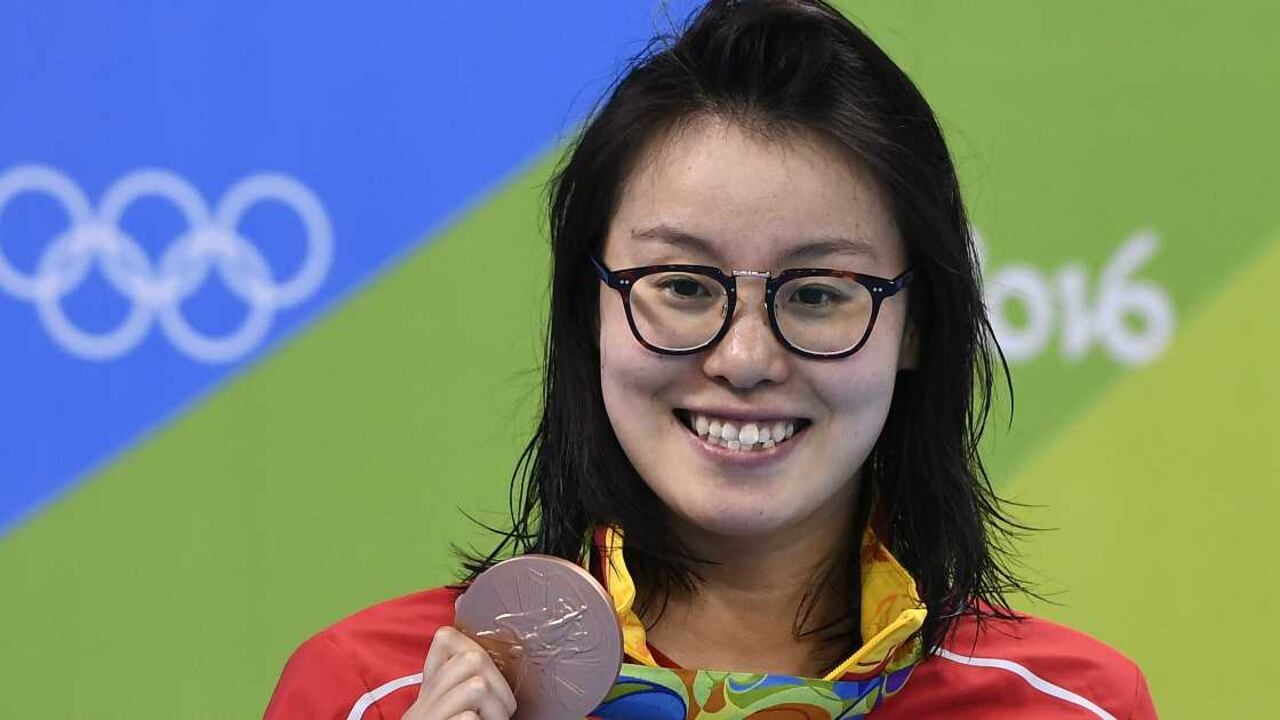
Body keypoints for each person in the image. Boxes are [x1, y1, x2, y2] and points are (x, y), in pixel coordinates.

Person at [265, 1, 1157, 718]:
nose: (743, 357)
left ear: (916, 322)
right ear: (593, 307)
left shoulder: (1072, 706)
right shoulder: (369, 695)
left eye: (817, 293)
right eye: (684, 285)